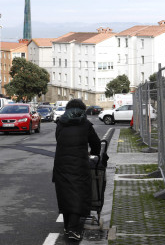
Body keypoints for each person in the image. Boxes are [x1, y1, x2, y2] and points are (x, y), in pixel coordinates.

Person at [52, 99, 100, 242]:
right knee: (78, 195)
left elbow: (58, 139)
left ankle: (68, 226)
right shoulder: (85, 124)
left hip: (61, 165)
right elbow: (96, 143)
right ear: (82, 110)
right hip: (79, 165)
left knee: (65, 194)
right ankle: (73, 228)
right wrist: (94, 154)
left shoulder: (60, 123)